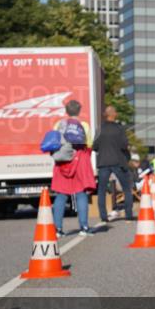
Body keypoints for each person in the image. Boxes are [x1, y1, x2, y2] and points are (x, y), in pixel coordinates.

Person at [50, 99, 97, 237]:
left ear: (66, 111)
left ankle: (58, 229)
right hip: (80, 161)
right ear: (79, 110)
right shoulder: (84, 125)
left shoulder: (58, 124)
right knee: (81, 194)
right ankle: (84, 227)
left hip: (62, 162)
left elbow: (54, 143)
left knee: (61, 194)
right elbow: (88, 145)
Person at [93, 105, 135, 223]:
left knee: (101, 190)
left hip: (103, 162)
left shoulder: (100, 128)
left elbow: (95, 146)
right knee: (126, 188)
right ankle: (128, 215)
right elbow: (124, 145)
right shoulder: (119, 128)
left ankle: (103, 217)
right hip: (118, 162)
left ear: (106, 115)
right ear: (114, 114)